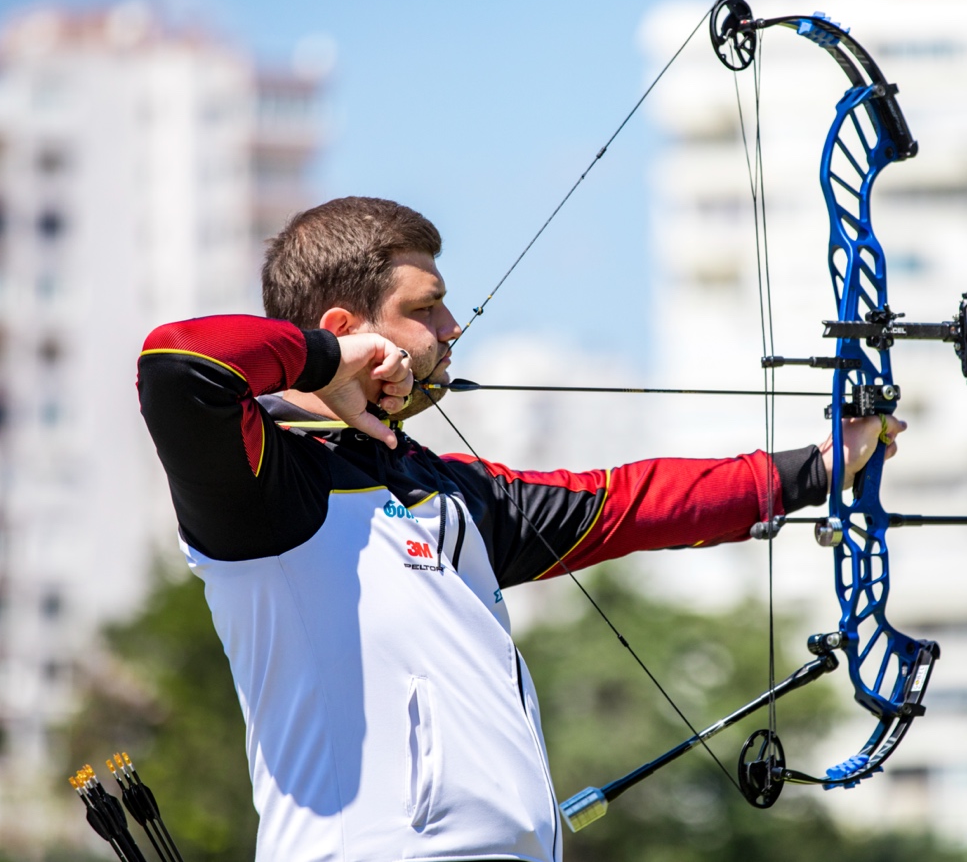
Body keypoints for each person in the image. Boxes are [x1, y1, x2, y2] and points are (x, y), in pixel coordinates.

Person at [137, 196, 901, 862]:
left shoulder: (448, 489)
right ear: (348, 328)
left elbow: (634, 501)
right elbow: (178, 362)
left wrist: (826, 465)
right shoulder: (268, 481)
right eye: (425, 307)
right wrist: (327, 361)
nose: (452, 326)